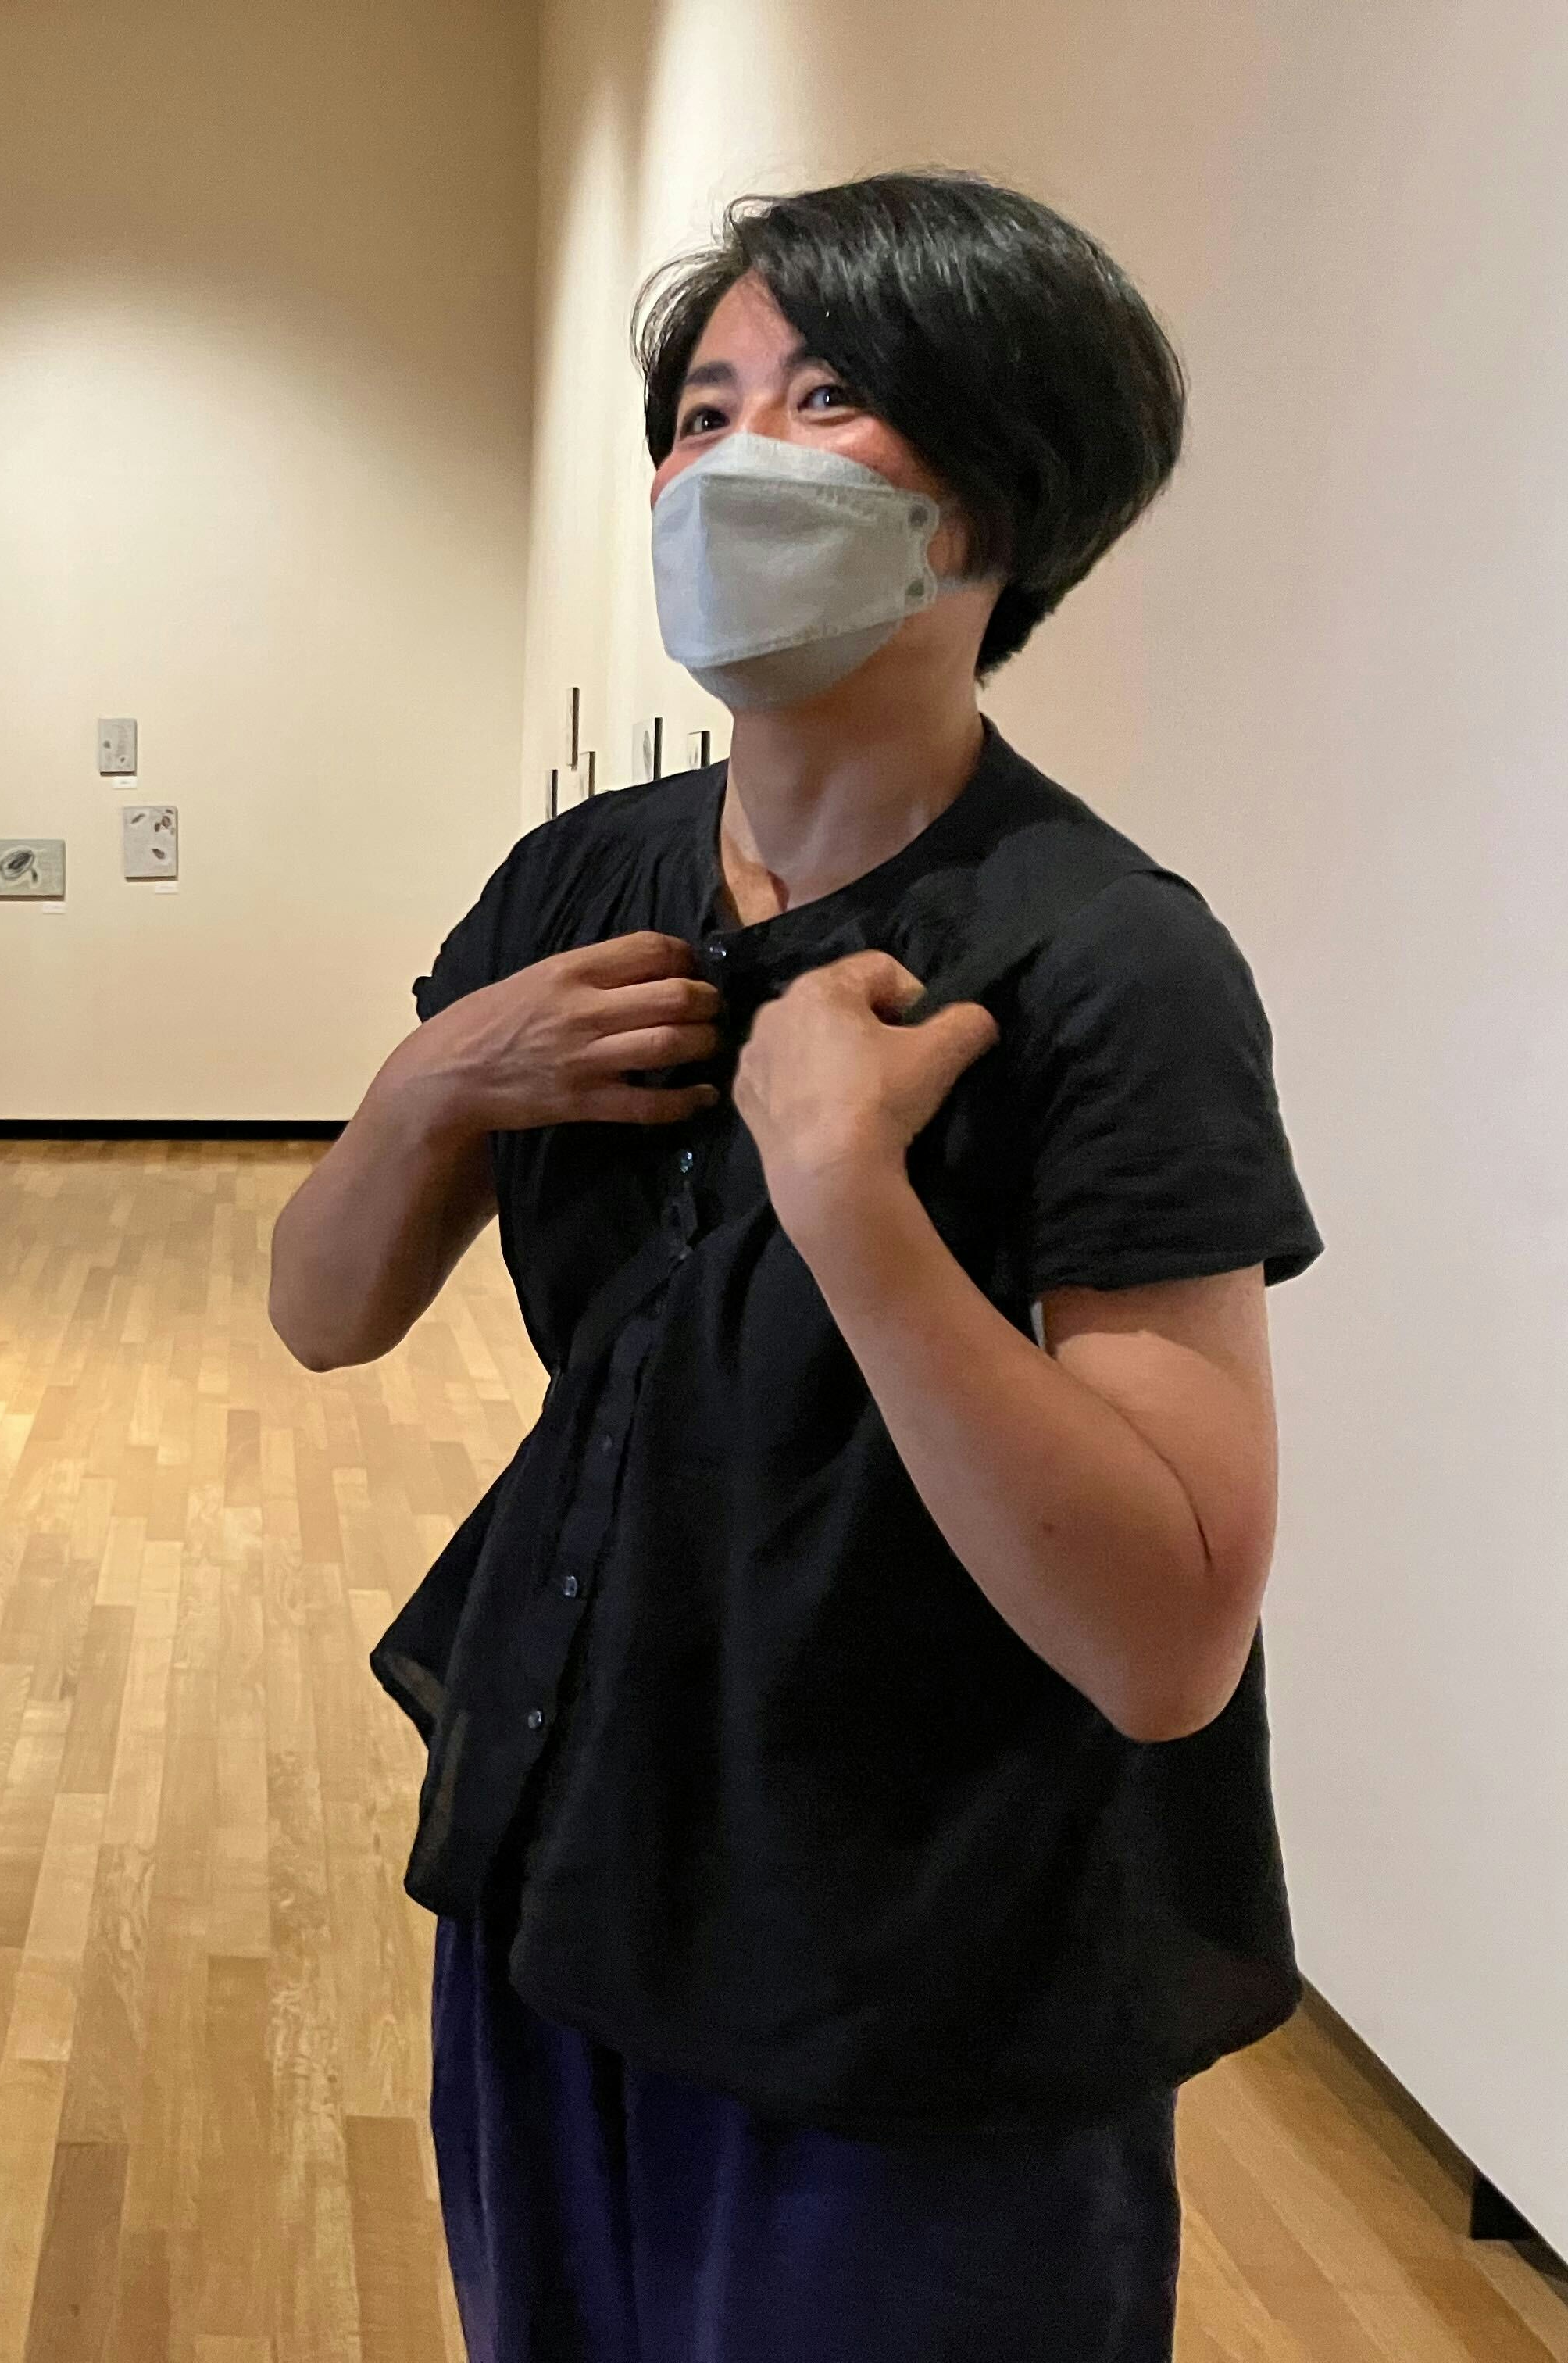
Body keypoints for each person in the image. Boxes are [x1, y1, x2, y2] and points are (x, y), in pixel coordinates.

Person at [267, 170, 1323, 2363]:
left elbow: (1167, 1637)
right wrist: (435, 1083)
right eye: (701, 409)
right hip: (577, 1853)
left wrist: (852, 1199)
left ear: (993, 499)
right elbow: (325, 1310)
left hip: (922, 1966)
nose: (729, 460)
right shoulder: (586, 879)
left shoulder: (1107, 963)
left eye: (825, 398)